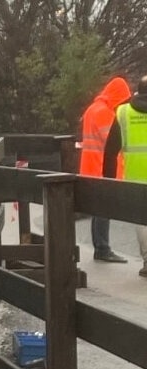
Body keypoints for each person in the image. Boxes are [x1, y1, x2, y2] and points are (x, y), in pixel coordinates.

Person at [80, 77, 131, 262]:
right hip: (101, 167)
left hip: (90, 166)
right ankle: (103, 248)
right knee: (104, 209)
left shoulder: (92, 110)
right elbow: (112, 143)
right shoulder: (104, 113)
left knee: (98, 209)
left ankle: (100, 247)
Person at [103, 75, 147, 277]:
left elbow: (110, 150)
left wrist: (108, 182)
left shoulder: (123, 112)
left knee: (142, 221)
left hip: (135, 175)